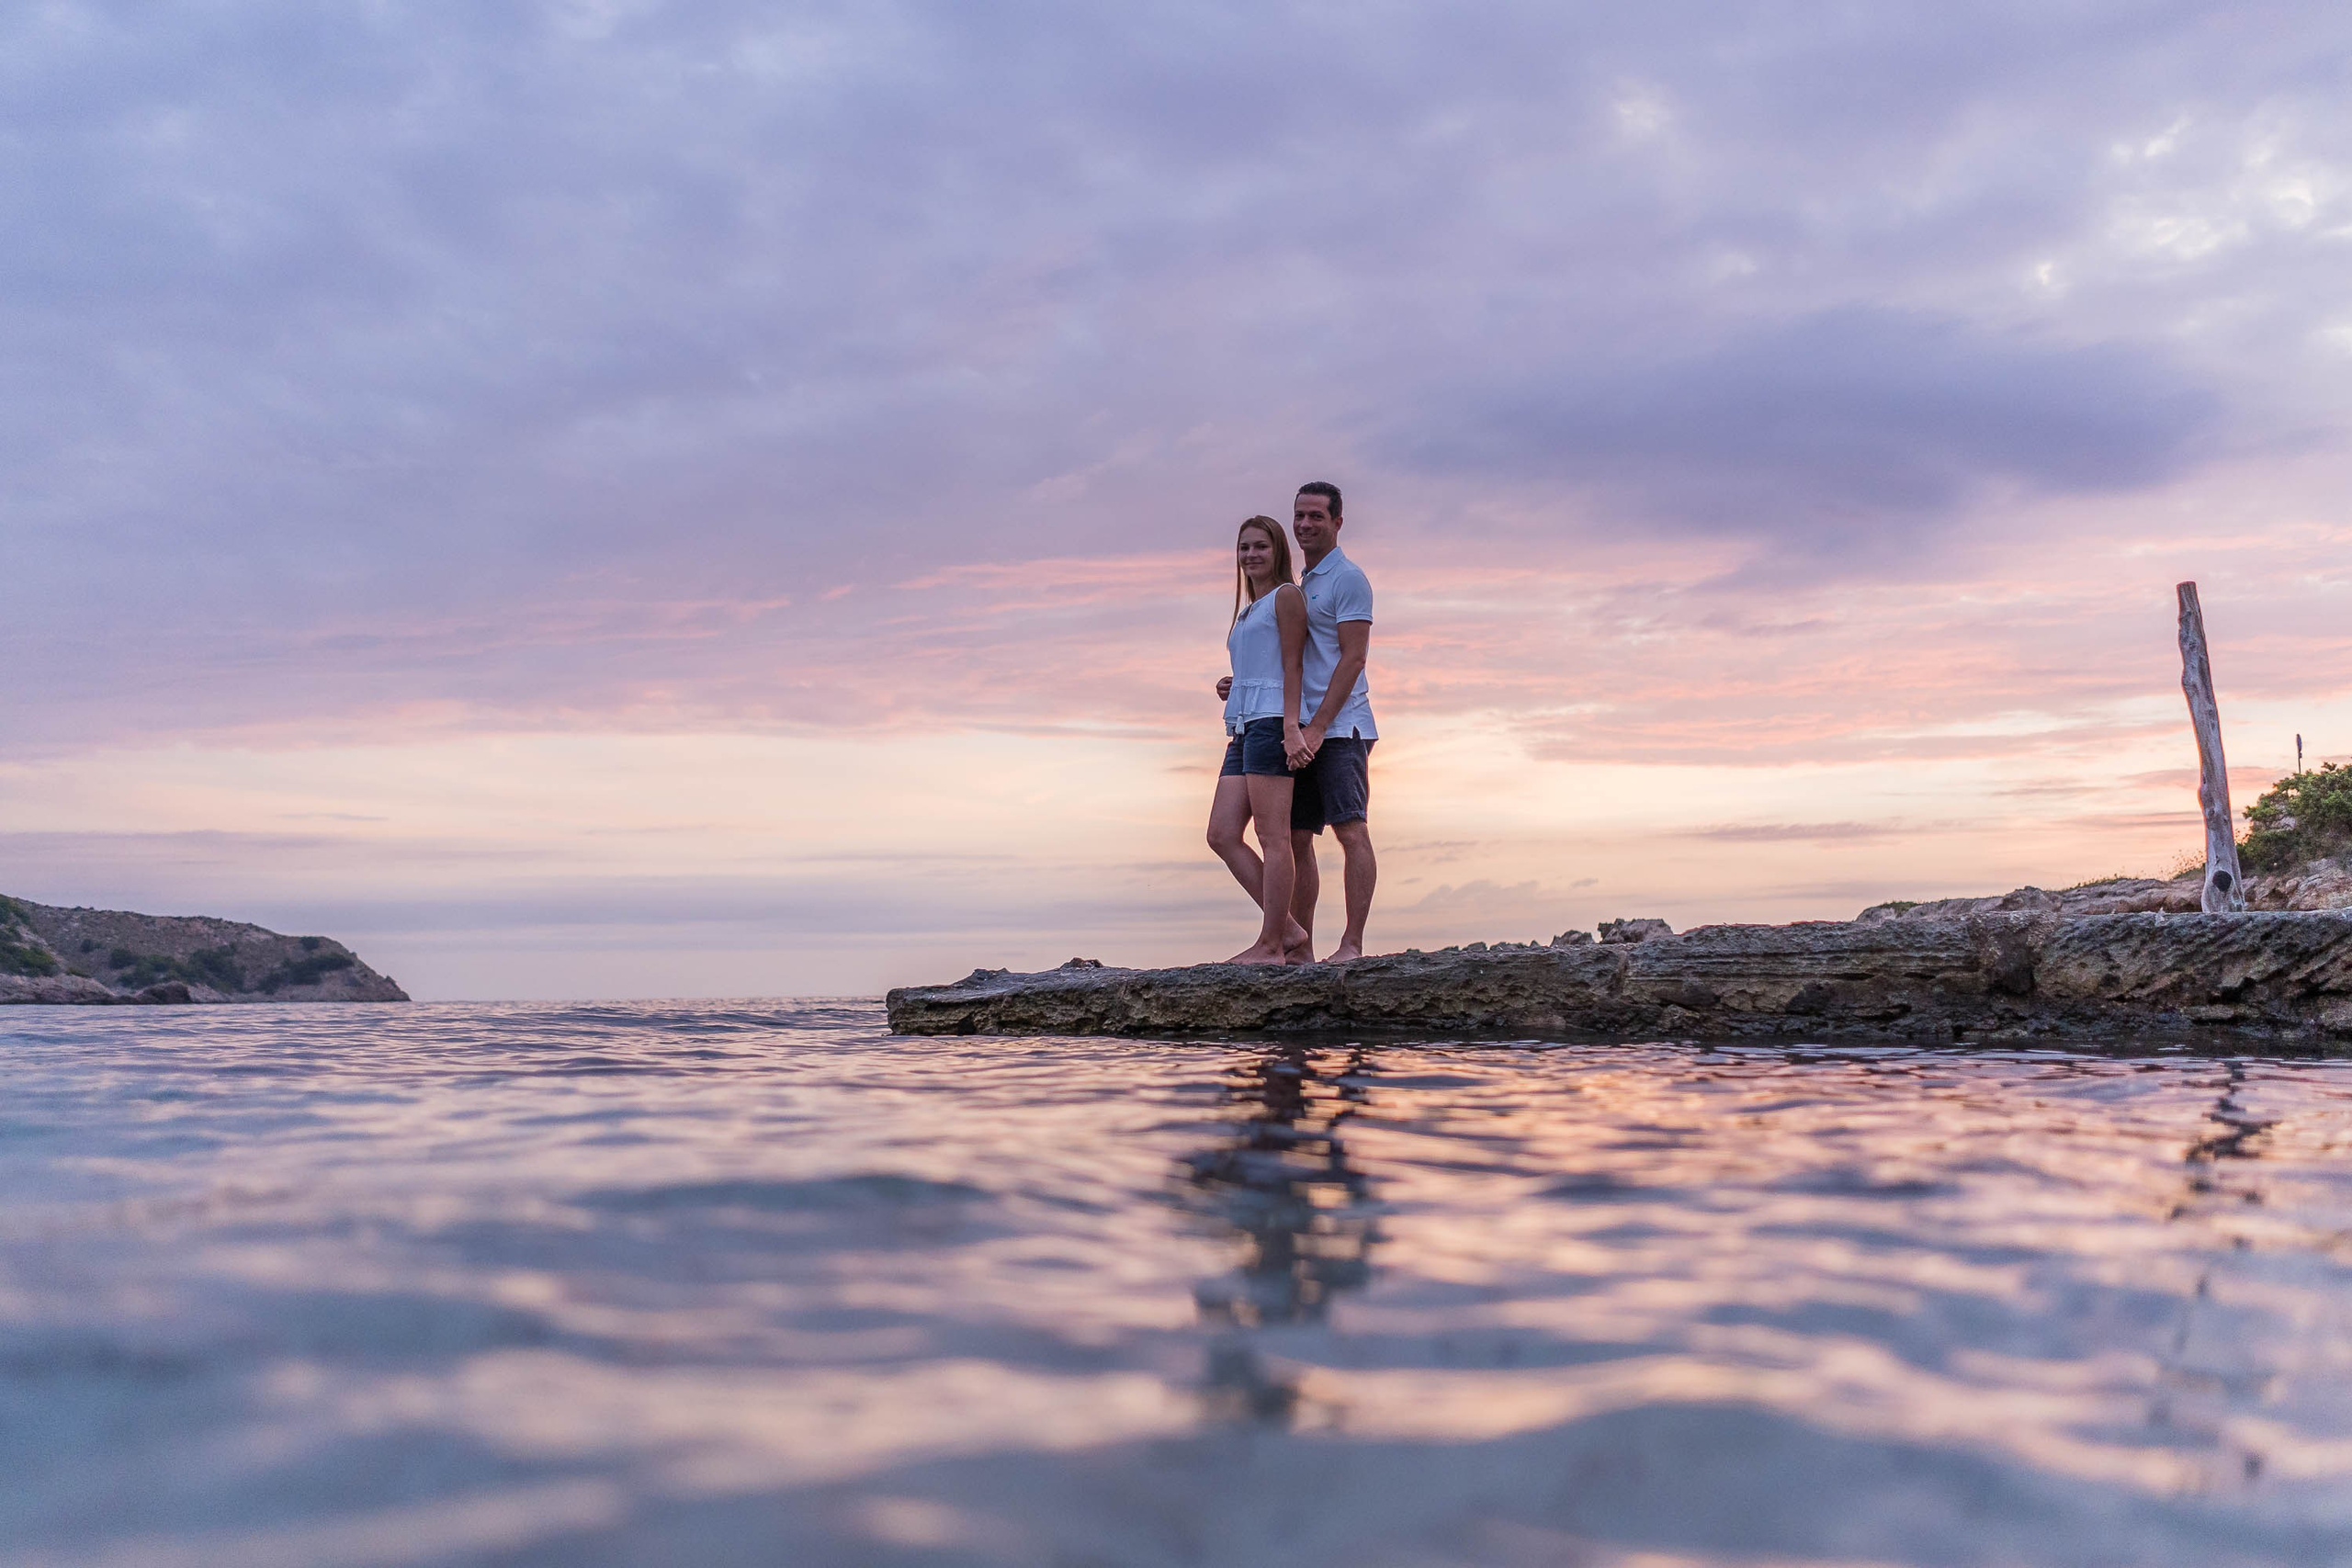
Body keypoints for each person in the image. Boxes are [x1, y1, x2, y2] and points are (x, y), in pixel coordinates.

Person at [1206, 517, 1312, 964]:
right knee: (1222, 834)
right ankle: (1288, 931)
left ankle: (1270, 946)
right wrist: (1236, 683)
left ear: (1278, 551)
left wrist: (1292, 728)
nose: (1251, 555)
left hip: (1272, 724)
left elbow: (1293, 667)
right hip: (1244, 725)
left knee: (1273, 836)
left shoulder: (1286, 597)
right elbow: (1264, 663)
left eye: (1260, 547)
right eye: (1244, 547)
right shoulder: (1250, 608)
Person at [1286, 481, 1377, 962]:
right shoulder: (1303, 582)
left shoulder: (1348, 578)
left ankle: (1352, 944)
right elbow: (1302, 655)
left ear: (1338, 522)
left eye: (1316, 516)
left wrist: (1319, 727)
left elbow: (1352, 659)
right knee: (1298, 837)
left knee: (1350, 830)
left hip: (1342, 729)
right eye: (1299, 515)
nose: (1305, 524)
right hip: (1301, 728)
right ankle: (1302, 951)